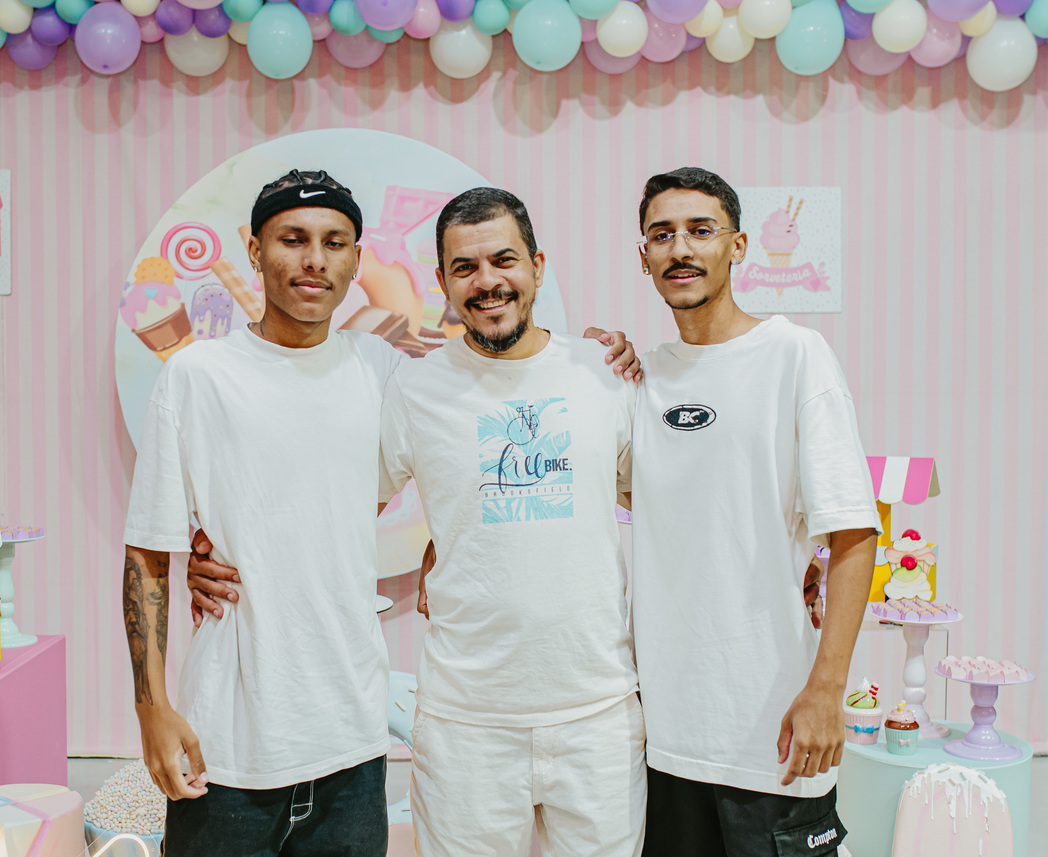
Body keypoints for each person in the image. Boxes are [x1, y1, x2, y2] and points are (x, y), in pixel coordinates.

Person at [124, 169, 640, 857]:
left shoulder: (389, 369)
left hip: (369, 739)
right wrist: (154, 700)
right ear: (254, 251)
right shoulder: (210, 376)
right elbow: (168, 545)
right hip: (253, 738)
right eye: (293, 239)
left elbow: (472, 465)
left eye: (334, 242)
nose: (314, 260)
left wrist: (453, 542)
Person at [376, 187, 646, 856]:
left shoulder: (603, 373)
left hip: (598, 715)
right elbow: (340, 508)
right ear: (443, 282)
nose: (487, 281)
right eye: (464, 267)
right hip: (465, 723)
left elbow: (672, 503)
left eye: (504, 260)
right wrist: (218, 544)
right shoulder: (414, 389)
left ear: (537, 266)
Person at [630, 167, 880, 856]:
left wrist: (826, 689)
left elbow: (854, 532)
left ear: (737, 245)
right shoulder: (640, 377)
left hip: (775, 733)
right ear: (644, 256)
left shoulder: (795, 355)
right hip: (664, 741)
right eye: (661, 234)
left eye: (700, 230)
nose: (680, 248)